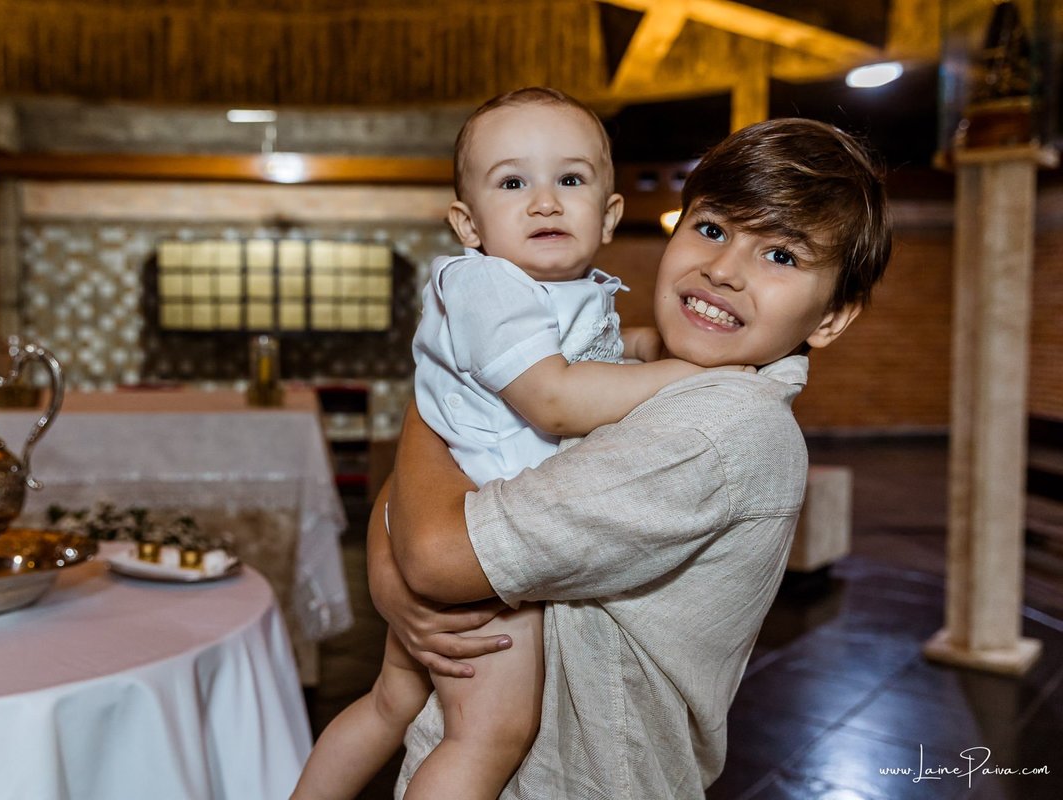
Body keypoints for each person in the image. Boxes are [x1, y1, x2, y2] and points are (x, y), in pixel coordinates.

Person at [373, 116, 892, 798]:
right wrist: (394, 583)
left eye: (782, 256)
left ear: (831, 317)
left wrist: (438, 386)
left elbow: (438, 552)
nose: (723, 269)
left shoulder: (718, 425)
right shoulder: (622, 369)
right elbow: (427, 501)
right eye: (712, 228)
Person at [292, 87, 731, 800]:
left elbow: (599, 358)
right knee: (488, 735)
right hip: (475, 546)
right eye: (513, 182)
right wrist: (694, 374)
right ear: (468, 223)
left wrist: (649, 349)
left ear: (610, 214)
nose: (545, 202)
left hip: (451, 515)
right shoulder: (489, 285)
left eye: (570, 179)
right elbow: (554, 400)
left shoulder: (564, 290)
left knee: (391, 703)